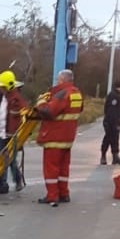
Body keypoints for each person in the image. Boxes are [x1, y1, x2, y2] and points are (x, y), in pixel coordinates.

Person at [34, 69, 84, 207]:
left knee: (51, 168)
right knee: (63, 168)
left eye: (58, 79)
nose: (57, 82)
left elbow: (48, 111)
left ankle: (52, 196)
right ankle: (64, 193)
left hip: (54, 136)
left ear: (62, 80)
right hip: (68, 137)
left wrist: (41, 102)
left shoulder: (62, 93)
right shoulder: (77, 93)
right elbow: (78, 110)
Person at [0, 70, 29, 193]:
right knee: (0, 160)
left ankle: (18, 180)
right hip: (0, 134)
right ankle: (2, 185)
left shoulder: (16, 99)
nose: (0, 89)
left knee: (10, 161)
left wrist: (22, 134)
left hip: (12, 136)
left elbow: (24, 116)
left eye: (2, 87)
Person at [101, 81, 120, 165]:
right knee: (108, 139)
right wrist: (114, 123)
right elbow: (112, 111)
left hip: (113, 121)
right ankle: (103, 156)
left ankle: (115, 157)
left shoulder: (115, 94)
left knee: (115, 139)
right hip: (111, 121)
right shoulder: (114, 96)